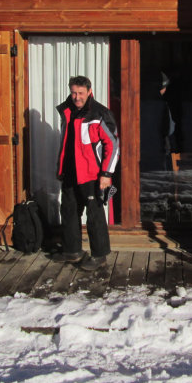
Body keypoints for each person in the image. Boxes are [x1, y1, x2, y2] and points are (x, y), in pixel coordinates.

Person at [53, 75, 120, 271]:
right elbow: (66, 142)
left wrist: (106, 174)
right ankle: (72, 251)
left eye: (81, 93)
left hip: (92, 174)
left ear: (89, 91)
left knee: (94, 215)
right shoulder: (67, 111)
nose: (77, 97)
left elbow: (113, 145)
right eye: (73, 92)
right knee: (68, 211)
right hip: (69, 171)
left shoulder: (100, 113)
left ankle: (99, 256)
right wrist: (60, 167)